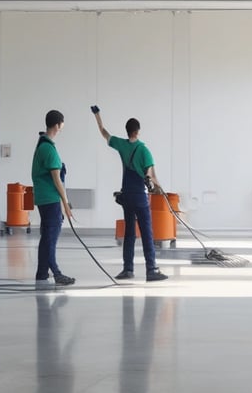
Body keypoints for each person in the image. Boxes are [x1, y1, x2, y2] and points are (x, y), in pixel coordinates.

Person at [92, 106, 168, 281]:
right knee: (147, 232)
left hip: (126, 195)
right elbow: (151, 176)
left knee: (129, 233)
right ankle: (151, 270)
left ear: (127, 132)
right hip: (140, 197)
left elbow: (104, 132)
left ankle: (128, 269)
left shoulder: (121, 145)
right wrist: (160, 190)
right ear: (138, 131)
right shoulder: (143, 150)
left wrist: (97, 115)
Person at [31, 109, 76, 288]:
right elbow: (57, 179)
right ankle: (56, 273)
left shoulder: (43, 145)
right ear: (57, 125)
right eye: (62, 124)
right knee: (50, 237)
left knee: (47, 236)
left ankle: (42, 273)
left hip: (44, 198)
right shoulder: (48, 149)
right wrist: (66, 204)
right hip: (49, 199)